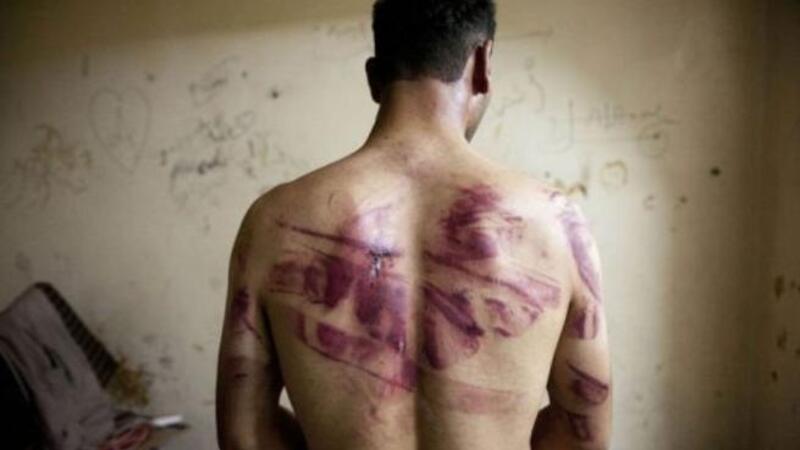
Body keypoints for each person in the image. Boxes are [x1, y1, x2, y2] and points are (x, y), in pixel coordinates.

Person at [215, 1, 612, 449]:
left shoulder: (274, 221)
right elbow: (583, 431)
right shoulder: (557, 224)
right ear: (483, 64)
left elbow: (245, 433)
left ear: (373, 77)